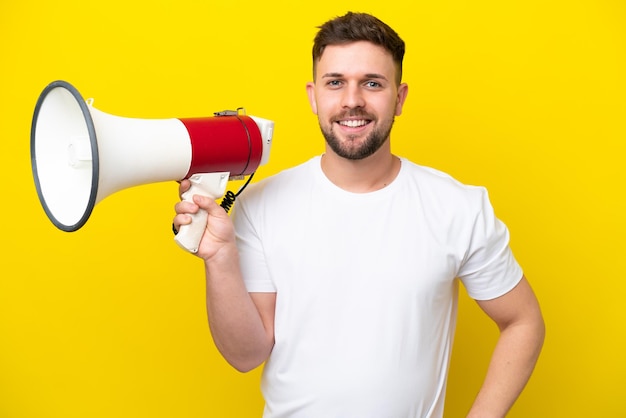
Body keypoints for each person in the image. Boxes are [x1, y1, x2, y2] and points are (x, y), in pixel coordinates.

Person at [173, 11, 545, 418]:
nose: (352, 100)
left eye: (372, 83)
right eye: (336, 83)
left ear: (399, 98)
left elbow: (523, 322)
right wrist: (220, 259)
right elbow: (246, 355)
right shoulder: (260, 205)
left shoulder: (457, 207)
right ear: (314, 96)